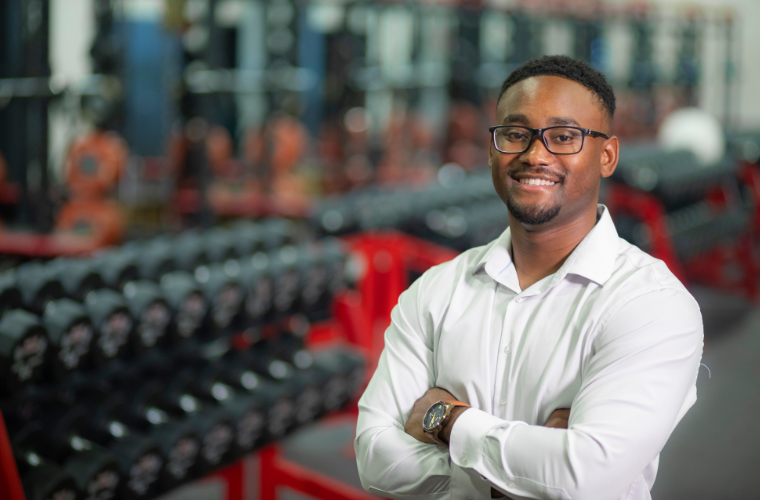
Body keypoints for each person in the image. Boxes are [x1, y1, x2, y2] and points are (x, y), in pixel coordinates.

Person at [354, 55, 703, 500]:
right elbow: (375, 458)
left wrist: (446, 420)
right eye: (515, 135)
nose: (535, 154)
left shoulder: (650, 305)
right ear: (492, 149)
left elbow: (586, 477)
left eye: (564, 137)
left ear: (607, 155)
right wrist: (534, 467)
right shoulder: (435, 292)